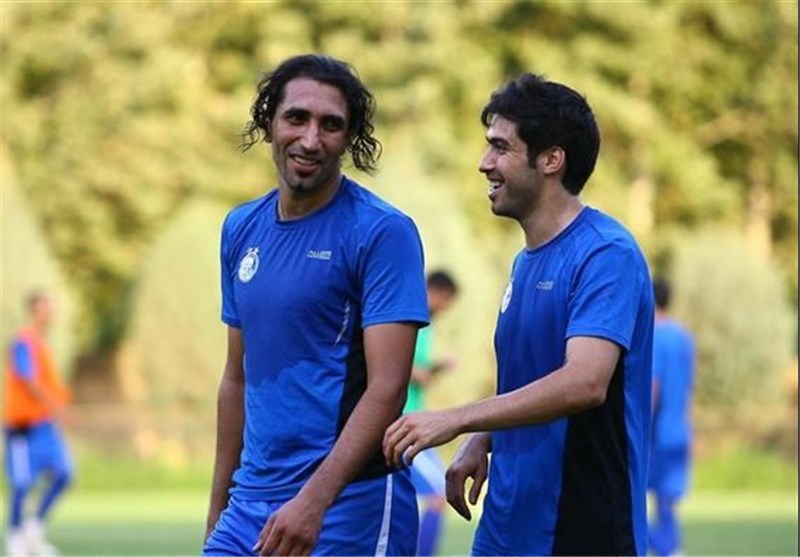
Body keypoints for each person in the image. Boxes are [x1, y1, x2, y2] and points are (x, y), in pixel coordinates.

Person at [383, 73, 654, 556]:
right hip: (506, 526)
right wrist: (485, 437)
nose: (484, 163)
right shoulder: (524, 262)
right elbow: (534, 377)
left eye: (500, 147)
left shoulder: (606, 254)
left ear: (551, 159)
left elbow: (585, 382)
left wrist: (459, 420)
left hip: (579, 531)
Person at [203, 54, 429, 557]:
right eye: (296, 118)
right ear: (269, 123)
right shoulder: (241, 228)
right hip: (250, 502)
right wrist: (218, 509)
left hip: (349, 503)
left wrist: (314, 502)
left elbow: (388, 388)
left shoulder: (382, 233)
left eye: (330, 125)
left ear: (349, 139)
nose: (310, 139)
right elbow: (236, 379)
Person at [3, 290, 74, 556]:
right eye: (46, 307)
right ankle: (15, 537)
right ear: (34, 310)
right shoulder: (23, 341)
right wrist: (56, 407)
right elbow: (29, 380)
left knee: (64, 473)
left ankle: (34, 529)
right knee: (21, 484)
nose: (51, 312)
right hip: (22, 427)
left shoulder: (42, 344)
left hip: (44, 425)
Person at [404, 270, 459, 557]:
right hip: (403, 424)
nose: (446, 307)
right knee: (437, 496)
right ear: (436, 293)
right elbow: (404, 368)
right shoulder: (408, 319)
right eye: (446, 300)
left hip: (415, 422)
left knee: (437, 494)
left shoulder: (426, 326)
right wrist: (438, 367)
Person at [648, 277, 695, 557]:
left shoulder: (654, 337)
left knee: (627, 497)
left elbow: (653, 386)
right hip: (680, 430)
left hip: (657, 433)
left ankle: (666, 549)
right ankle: (671, 549)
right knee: (666, 503)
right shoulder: (684, 337)